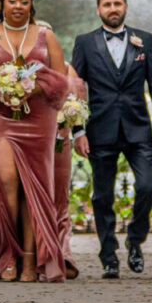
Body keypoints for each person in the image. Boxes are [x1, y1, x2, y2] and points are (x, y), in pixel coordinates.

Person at [0, 0, 70, 283]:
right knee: (8, 180)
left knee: (33, 188)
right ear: (2, 3)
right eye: (13, 1)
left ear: (31, 6)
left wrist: (33, 87)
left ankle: (28, 260)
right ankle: (5, 252)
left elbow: (60, 77)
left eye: (24, 2)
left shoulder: (45, 35)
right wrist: (0, 88)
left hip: (39, 117)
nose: (18, 7)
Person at [68, 0, 152, 279]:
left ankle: (135, 242)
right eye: (107, 4)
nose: (113, 9)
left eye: (117, 4)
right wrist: (77, 131)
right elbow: (75, 90)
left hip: (139, 129)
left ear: (125, 7)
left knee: (147, 186)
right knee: (102, 196)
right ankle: (108, 255)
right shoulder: (85, 42)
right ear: (98, 10)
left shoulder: (144, 40)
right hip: (100, 129)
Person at [54, 68, 87, 280]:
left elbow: (77, 105)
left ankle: (62, 253)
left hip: (59, 140)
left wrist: (78, 133)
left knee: (59, 197)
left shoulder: (66, 68)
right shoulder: (18, 68)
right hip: (29, 140)